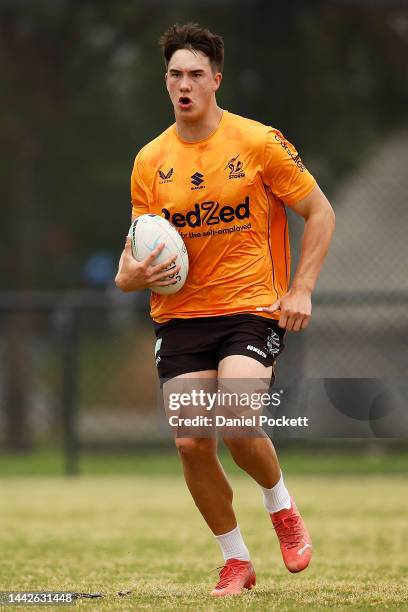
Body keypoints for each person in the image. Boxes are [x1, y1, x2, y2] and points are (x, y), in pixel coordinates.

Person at [115, 23, 335, 597]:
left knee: (239, 423)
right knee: (191, 443)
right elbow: (138, 245)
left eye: (194, 74)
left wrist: (302, 289)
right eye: (174, 75)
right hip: (180, 317)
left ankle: (282, 509)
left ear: (216, 78)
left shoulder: (258, 143)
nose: (183, 85)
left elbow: (321, 213)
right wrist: (128, 275)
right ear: (165, 83)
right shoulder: (149, 160)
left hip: (249, 308)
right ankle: (235, 560)